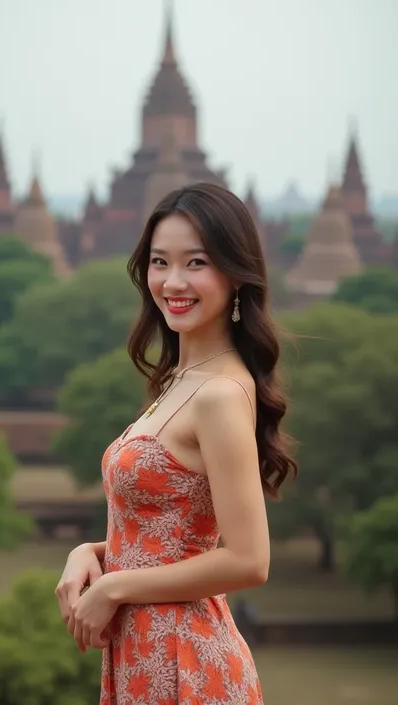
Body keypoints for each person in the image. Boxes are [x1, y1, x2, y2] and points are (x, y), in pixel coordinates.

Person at [55, 182, 297, 704]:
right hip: (144, 654)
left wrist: (115, 588)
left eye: (197, 263)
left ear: (235, 276)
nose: (173, 281)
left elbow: (249, 560)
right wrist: (87, 552)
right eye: (160, 262)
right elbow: (166, 535)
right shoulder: (180, 379)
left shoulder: (219, 395)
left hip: (187, 661)